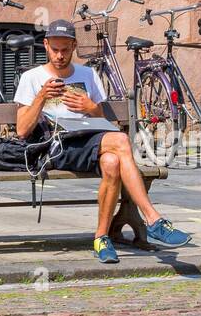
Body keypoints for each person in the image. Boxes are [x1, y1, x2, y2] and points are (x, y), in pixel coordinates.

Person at [14, 19, 191, 264]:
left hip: (89, 139)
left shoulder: (87, 74)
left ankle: (101, 238)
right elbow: (22, 130)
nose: (60, 55)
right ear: (45, 45)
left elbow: (103, 120)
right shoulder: (32, 78)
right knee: (120, 141)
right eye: (55, 49)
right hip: (56, 146)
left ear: (74, 46)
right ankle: (152, 219)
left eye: (65, 49)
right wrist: (42, 98)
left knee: (111, 163)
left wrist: (92, 108)